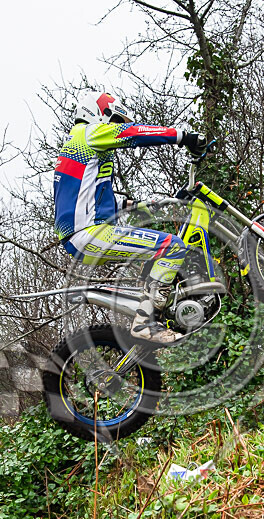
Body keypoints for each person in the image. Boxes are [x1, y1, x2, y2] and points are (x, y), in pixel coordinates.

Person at [53, 90, 206, 344]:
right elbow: (133, 133)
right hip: (89, 234)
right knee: (173, 247)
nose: (116, 128)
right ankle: (145, 322)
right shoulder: (89, 134)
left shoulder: (79, 149)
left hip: (82, 234)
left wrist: (140, 204)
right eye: (114, 122)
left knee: (157, 254)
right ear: (99, 114)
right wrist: (182, 136)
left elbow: (93, 199)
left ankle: (156, 305)